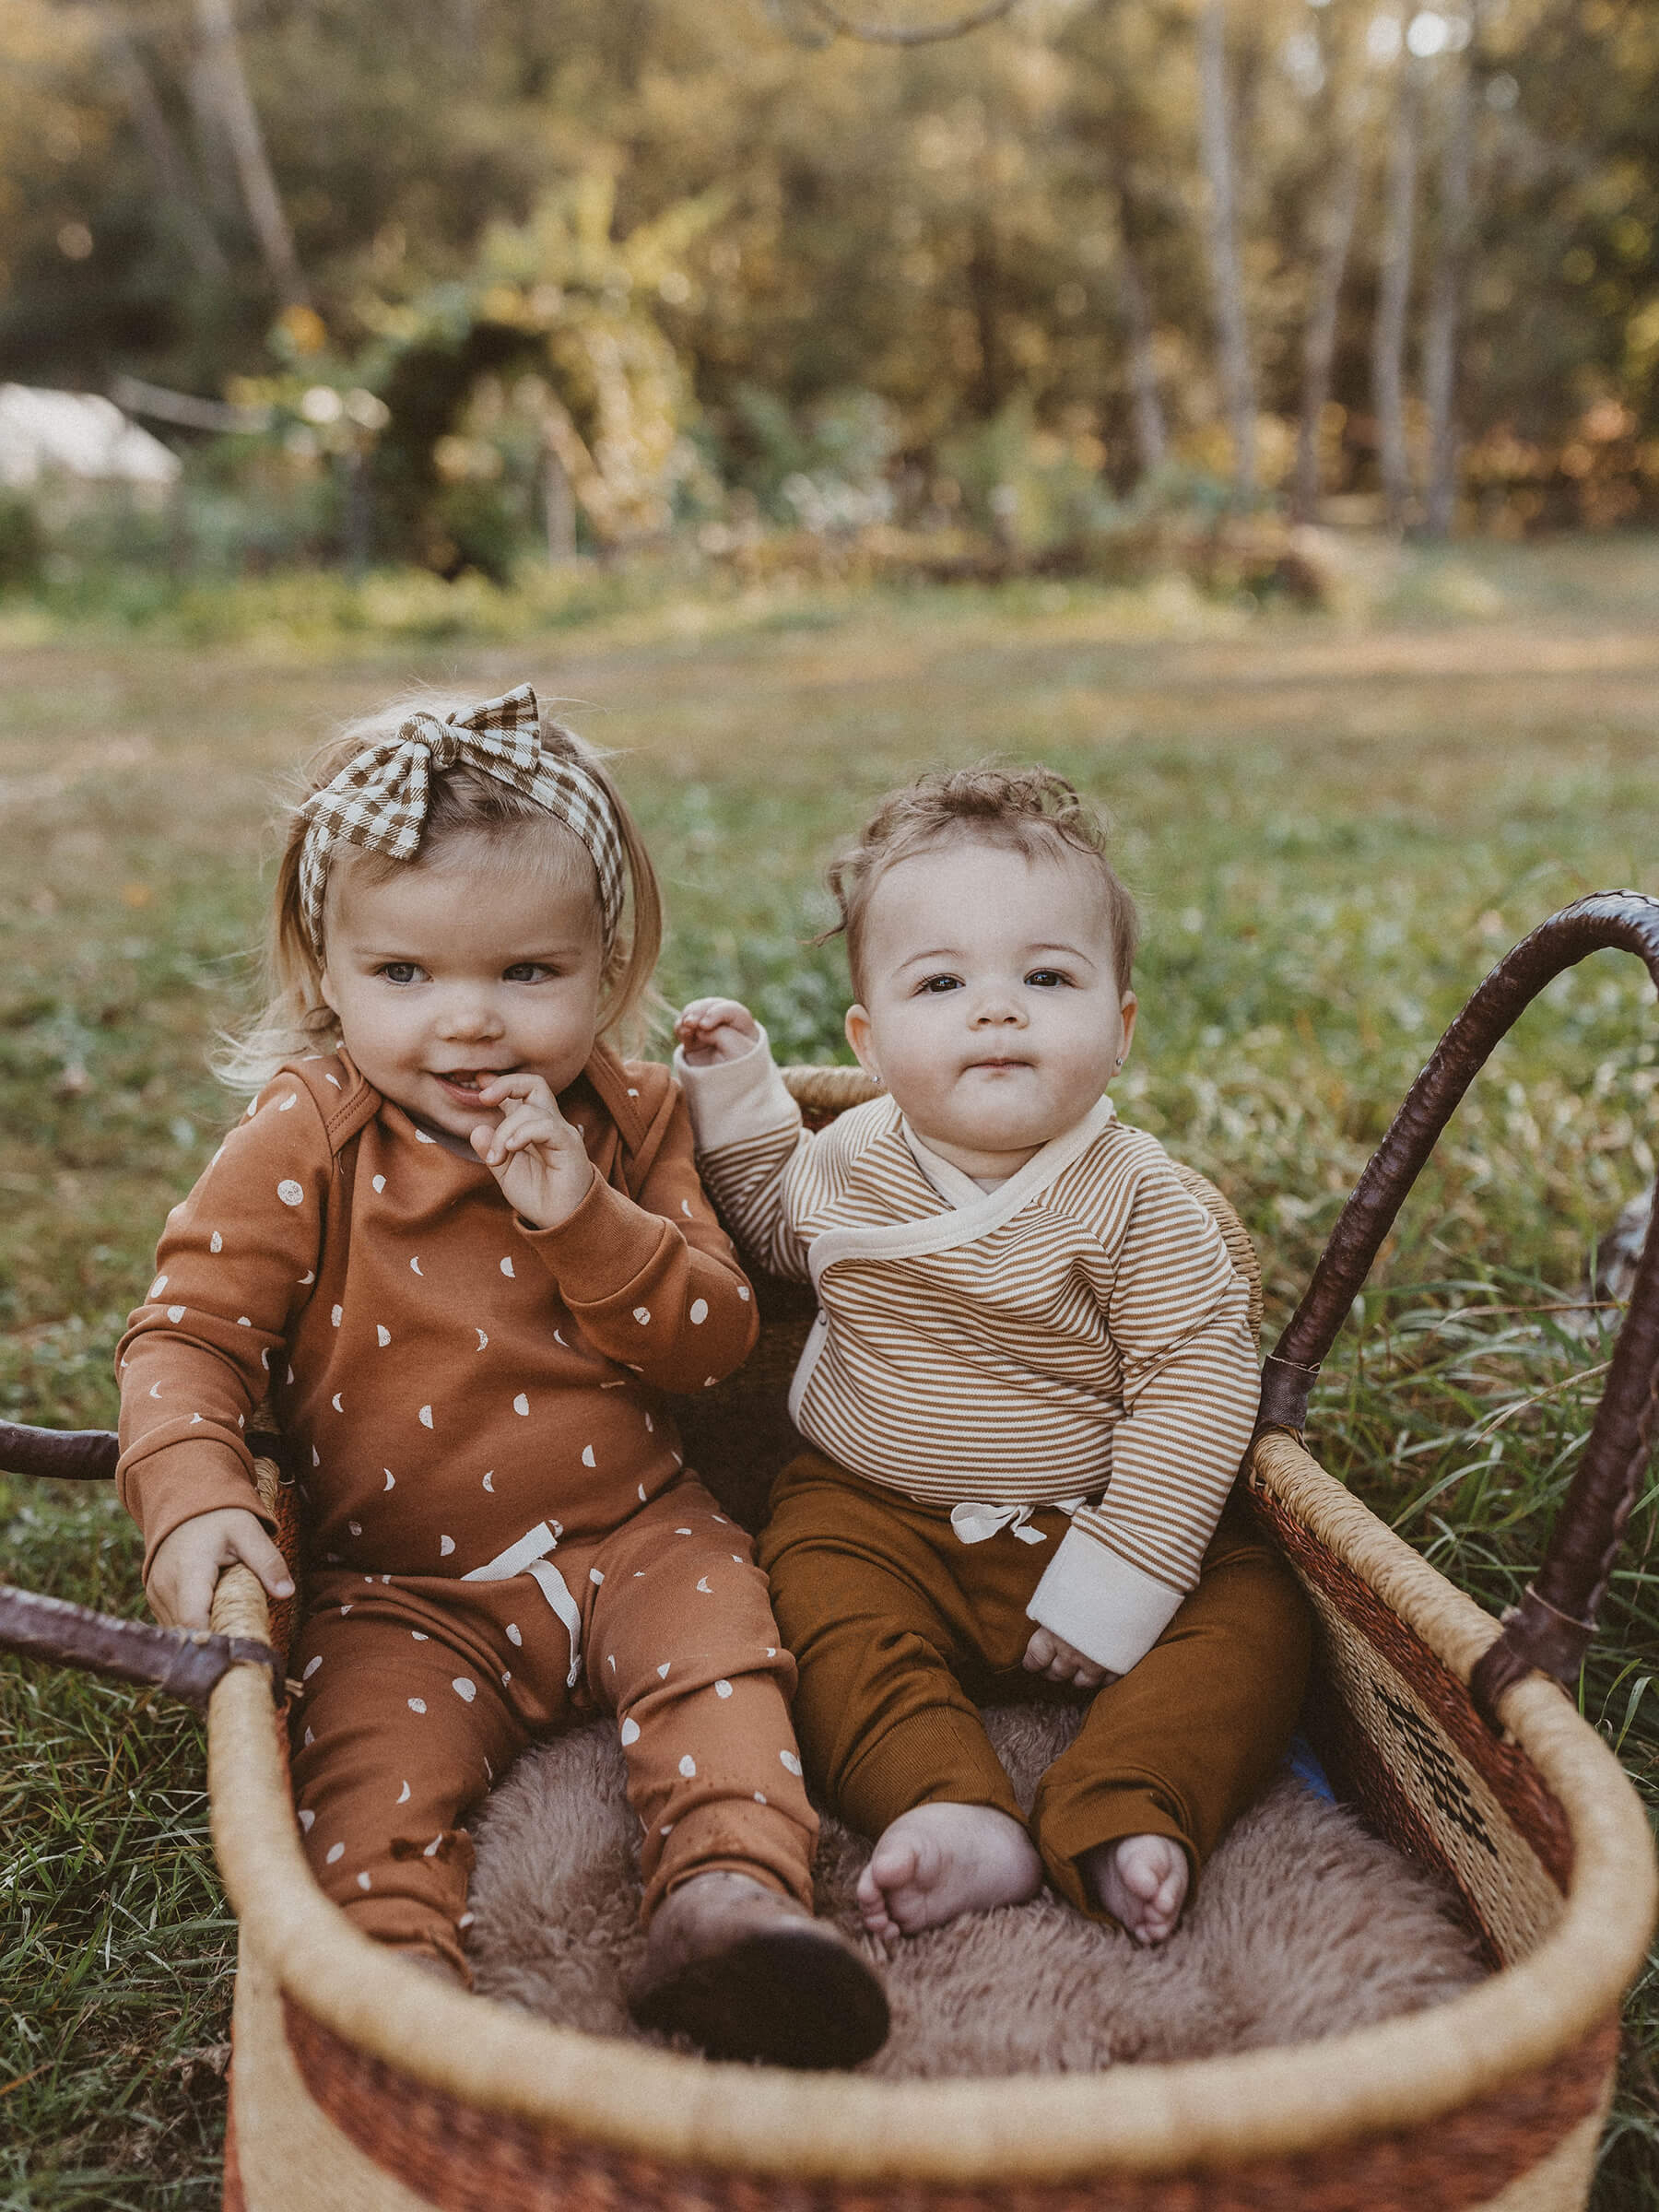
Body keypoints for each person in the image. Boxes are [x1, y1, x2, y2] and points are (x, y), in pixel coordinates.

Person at [115, 686, 888, 2070]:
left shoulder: (636, 1120)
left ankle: (729, 1902)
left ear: (608, 967)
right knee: (360, 1768)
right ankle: (392, 1981)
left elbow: (713, 1342)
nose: (468, 1024)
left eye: (527, 976)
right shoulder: (309, 1136)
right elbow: (189, 1335)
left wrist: (582, 1212)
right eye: (405, 976)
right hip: (402, 1583)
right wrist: (188, 1489)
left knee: (729, 1658)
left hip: (635, 1532)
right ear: (327, 972)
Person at [675, 767, 1310, 1949]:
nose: (997, 1010)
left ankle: (1130, 1796)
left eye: (1048, 978)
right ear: (868, 1037)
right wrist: (736, 1093)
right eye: (942, 983)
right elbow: (769, 1229)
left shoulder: (1140, 1201)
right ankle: (946, 1801)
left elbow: (1195, 1376)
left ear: (1120, 1029)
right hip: (876, 1513)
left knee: (1264, 1613)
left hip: (1085, 1513)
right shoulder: (854, 1154)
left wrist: (1127, 1572)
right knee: (799, 1599)